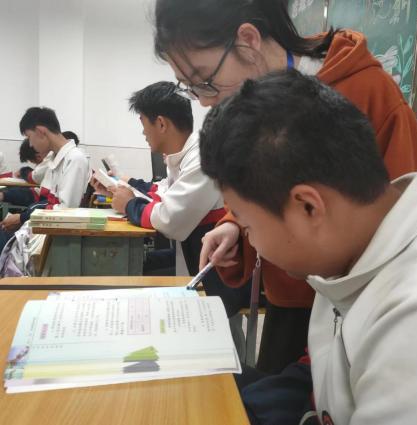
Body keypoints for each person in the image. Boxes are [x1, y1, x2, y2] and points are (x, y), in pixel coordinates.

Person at [199, 69, 417, 425]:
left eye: (248, 226)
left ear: (308, 207)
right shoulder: (355, 247)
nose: (251, 241)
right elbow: (331, 369)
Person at [153, 0, 417, 373]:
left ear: (248, 40)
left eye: (204, 80)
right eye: (190, 88)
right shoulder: (254, 104)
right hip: (289, 302)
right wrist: (235, 223)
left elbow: (402, 226)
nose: (204, 101)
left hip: (358, 312)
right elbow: (265, 184)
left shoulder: (365, 91)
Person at [91, 82, 250, 351]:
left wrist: (128, 205)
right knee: (208, 331)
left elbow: (169, 219)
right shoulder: (182, 155)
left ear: (161, 123)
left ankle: (234, 373)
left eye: (143, 123)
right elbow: (163, 193)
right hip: (196, 257)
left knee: (222, 337)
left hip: (217, 270)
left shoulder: (202, 157)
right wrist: (120, 190)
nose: (143, 132)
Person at [0, 107, 90, 262]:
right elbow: (42, 199)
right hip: (40, 228)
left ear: (41, 132)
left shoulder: (75, 159)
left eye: (29, 137)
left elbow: (64, 212)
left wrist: (22, 218)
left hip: (52, 238)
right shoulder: (54, 158)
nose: (30, 144)